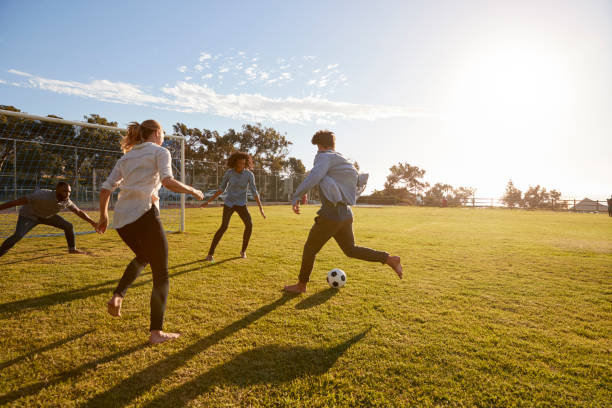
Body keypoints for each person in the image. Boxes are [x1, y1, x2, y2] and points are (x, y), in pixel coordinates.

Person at [97, 120, 203, 345]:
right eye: (162, 133)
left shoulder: (126, 157)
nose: (163, 136)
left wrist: (104, 216)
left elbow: (106, 188)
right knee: (161, 274)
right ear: (157, 133)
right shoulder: (160, 151)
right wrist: (193, 190)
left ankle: (118, 296)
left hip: (122, 220)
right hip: (145, 215)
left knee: (143, 257)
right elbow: (168, 181)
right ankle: (156, 333)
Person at [283, 130, 403, 294]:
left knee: (310, 248)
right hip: (345, 213)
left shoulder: (324, 157)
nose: (317, 152)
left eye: (318, 148)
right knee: (350, 250)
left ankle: (301, 285)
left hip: (331, 214)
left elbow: (315, 175)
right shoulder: (342, 160)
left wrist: (296, 195)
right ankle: (389, 259)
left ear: (323, 146)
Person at [0, 182, 97, 257]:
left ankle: (72, 249)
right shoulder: (41, 195)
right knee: (18, 236)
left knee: (68, 226)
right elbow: (16, 202)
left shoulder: (66, 201)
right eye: (65, 191)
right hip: (29, 216)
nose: (67, 194)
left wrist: (93, 222)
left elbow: (79, 211)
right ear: (57, 189)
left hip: (47, 217)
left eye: (69, 192)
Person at [201, 152, 266, 262]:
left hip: (241, 204)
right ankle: (210, 254)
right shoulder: (229, 173)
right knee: (224, 226)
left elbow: (254, 192)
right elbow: (221, 189)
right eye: (239, 163)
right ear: (235, 163)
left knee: (249, 225)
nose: (241, 165)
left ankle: (243, 251)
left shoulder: (249, 175)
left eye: (243, 163)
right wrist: (208, 201)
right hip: (229, 204)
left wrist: (261, 208)